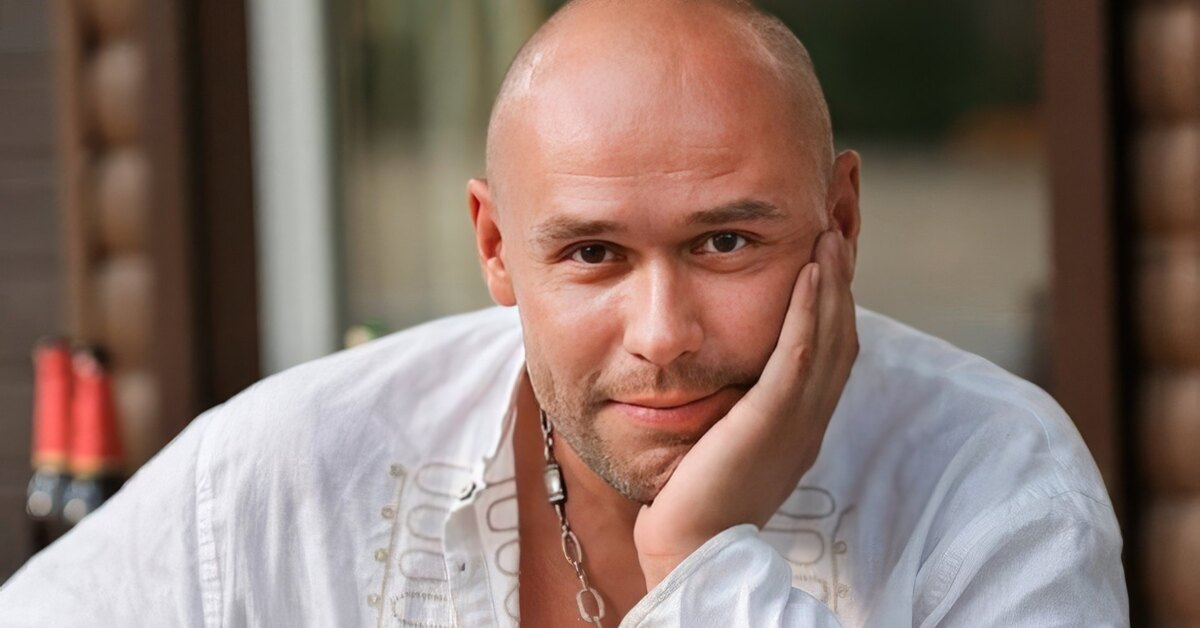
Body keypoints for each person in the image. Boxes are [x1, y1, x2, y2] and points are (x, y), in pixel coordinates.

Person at [0, 0, 1128, 626]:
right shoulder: (298, 471)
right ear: (496, 247)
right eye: (593, 254)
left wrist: (699, 557)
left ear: (840, 216)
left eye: (725, 243)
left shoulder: (993, 488)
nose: (663, 332)